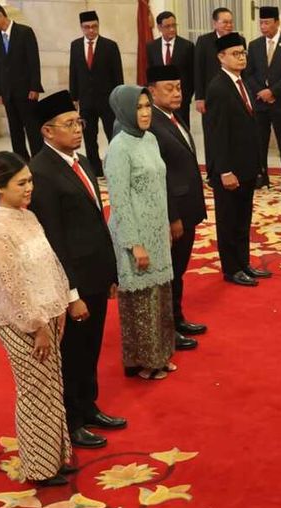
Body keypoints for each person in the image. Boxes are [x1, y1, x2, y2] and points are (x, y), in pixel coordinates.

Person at [30, 90, 126, 449]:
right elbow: (54, 240)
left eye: (78, 122)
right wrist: (71, 295)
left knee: (92, 347)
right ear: (48, 132)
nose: (77, 130)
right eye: (69, 124)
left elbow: (97, 223)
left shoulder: (82, 162)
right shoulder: (41, 171)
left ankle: (90, 406)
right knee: (73, 354)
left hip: (96, 275)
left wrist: (111, 273)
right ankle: (71, 422)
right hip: (72, 285)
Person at [0, 152, 74, 487]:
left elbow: (48, 263)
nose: (29, 187)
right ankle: (39, 467)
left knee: (53, 386)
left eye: (30, 180)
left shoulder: (26, 217)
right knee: (36, 392)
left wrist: (61, 304)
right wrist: (37, 327)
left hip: (45, 315)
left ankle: (56, 457)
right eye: (21, 183)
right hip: (22, 323)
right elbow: (12, 286)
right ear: (0, 188)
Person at [104, 85, 176, 380]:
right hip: (135, 235)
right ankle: (141, 360)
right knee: (141, 301)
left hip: (157, 231)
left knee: (160, 297)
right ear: (124, 111)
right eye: (139, 108)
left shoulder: (151, 139)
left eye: (147, 106)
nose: (145, 113)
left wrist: (166, 225)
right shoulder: (119, 148)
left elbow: (160, 186)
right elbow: (119, 201)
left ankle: (160, 356)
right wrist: (135, 245)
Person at [147, 65, 208, 349]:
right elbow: (160, 176)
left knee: (179, 269)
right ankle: (167, 329)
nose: (176, 93)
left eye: (179, 88)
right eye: (169, 88)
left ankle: (178, 318)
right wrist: (172, 217)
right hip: (174, 212)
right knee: (169, 271)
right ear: (152, 91)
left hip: (188, 206)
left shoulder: (174, 117)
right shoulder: (152, 126)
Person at [207, 32, 269, 287]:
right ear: (221, 57)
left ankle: (243, 263)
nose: (241, 57)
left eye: (243, 53)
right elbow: (218, 134)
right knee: (229, 219)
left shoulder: (243, 83)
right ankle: (231, 269)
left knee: (243, 218)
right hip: (229, 169)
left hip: (245, 166)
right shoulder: (218, 87)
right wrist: (224, 170)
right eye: (235, 53)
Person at [246, 6, 281, 192]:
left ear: (277, 23)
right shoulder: (254, 46)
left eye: (267, 22)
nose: (263, 26)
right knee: (259, 141)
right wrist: (262, 92)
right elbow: (249, 73)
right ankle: (261, 175)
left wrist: (272, 92)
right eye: (261, 23)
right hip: (259, 102)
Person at [69, 11, 124, 177]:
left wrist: (118, 98)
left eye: (94, 26)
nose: (91, 30)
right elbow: (74, 72)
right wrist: (74, 98)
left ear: (98, 26)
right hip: (86, 101)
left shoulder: (110, 46)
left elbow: (118, 75)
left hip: (107, 101)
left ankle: (117, 166)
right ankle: (95, 169)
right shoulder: (76, 45)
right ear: (81, 28)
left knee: (113, 135)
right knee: (89, 137)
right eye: (87, 27)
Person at [0, 3, 43, 158]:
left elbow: (33, 61)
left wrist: (35, 87)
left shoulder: (24, 32)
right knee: (15, 130)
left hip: (26, 91)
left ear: (1, 14)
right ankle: (22, 162)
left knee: (32, 129)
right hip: (7, 93)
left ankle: (39, 163)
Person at [194, 7, 240, 178]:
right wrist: (199, 97)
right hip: (211, 96)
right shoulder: (204, 41)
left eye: (231, 22)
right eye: (225, 22)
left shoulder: (238, 39)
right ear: (215, 23)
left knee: (231, 133)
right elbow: (198, 70)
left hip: (233, 95)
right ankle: (212, 171)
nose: (229, 25)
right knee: (212, 133)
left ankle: (232, 167)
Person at [146, 11, 195, 125]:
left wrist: (186, 96)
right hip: (159, 100)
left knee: (182, 130)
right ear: (159, 27)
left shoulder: (187, 46)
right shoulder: (151, 47)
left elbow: (192, 74)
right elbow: (151, 72)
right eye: (168, 26)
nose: (172, 29)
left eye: (174, 25)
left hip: (180, 100)